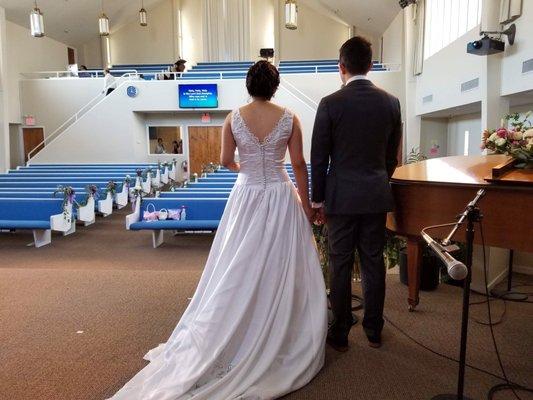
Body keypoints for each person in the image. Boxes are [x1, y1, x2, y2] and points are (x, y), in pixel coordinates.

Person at [109, 60, 327, 400]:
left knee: (237, 263)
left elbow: (225, 160)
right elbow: (298, 164)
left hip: (246, 193)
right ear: (275, 85)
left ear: (248, 85)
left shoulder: (233, 118)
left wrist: (246, 168)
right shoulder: (289, 117)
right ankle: (281, 328)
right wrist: (307, 206)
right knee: (281, 263)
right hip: (281, 195)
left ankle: (234, 328)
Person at [311, 36, 402, 352]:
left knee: (340, 263)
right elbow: (392, 157)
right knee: (373, 263)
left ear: (342, 67)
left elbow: (320, 158)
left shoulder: (330, 103)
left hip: (341, 198)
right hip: (376, 195)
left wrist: (317, 201)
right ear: (371, 65)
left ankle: (339, 333)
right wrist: (379, 180)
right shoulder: (391, 102)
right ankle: (374, 330)